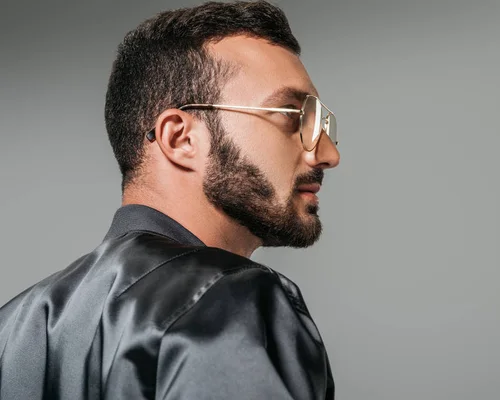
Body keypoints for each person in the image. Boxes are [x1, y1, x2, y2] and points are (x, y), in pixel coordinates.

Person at [0, 1, 340, 398]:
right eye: (294, 116)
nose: (329, 153)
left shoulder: (13, 327)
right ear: (180, 138)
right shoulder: (228, 301)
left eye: (323, 124)